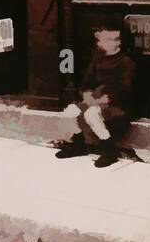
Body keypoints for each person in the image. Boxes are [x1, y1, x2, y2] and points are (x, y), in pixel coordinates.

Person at [55, 27, 136, 168]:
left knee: (92, 114)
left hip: (115, 104)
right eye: (104, 39)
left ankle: (109, 151)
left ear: (119, 42)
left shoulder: (126, 62)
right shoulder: (98, 60)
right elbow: (87, 83)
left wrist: (103, 100)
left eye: (112, 39)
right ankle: (78, 145)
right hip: (95, 99)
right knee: (70, 112)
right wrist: (86, 94)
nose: (104, 43)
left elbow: (124, 89)